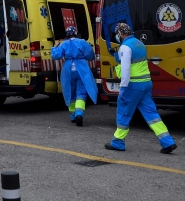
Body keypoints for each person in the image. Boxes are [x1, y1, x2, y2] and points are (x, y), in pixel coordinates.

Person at [105, 22, 177, 154]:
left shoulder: (125, 47)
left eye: (117, 34)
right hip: (146, 83)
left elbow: (126, 69)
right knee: (152, 114)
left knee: (124, 113)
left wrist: (123, 87)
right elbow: (135, 62)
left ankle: (118, 142)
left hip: (132, 85)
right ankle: (167, 141)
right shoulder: (140, 44)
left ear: (120, 34)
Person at [53, 25, 97, 126]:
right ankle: (79, 114)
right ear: (76, 33)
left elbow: (56, 56)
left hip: (68, 70)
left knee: (70, 92)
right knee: (81, 93)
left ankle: (73, 116)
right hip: (81, 69)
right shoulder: (82, 42)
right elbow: (90, 55)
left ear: (67, 35)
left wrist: (55, 47)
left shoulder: (64, 44)